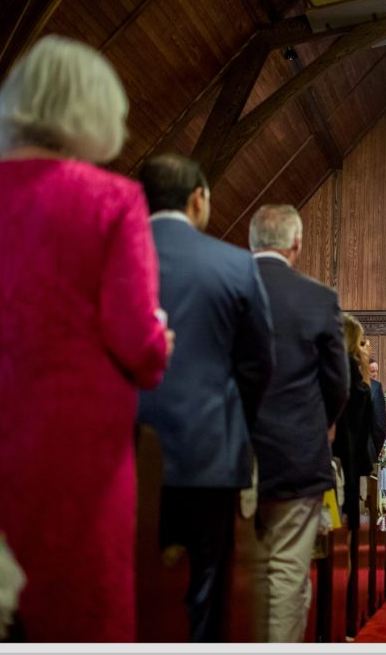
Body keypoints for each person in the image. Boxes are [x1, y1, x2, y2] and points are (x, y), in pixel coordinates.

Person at [0, 35, 171, 642]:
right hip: (73, 450)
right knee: (73, 609)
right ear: (94, 113)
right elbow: (137, 344)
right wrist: (159, 339)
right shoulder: (110, 201)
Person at [137, 153, 275, 642]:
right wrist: (236, 422)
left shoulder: (107, 256)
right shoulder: (233, 264)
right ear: (198, 199)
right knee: (205, 594)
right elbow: (259, 364)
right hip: (209, 455)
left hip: (119, 452)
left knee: (127, 587)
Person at [247, 205, 349, 642]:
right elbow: (337, 384)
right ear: (296, 245)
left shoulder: (223, 285)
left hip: (226, 454)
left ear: (252, 242)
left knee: (231, 563)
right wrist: (316, 427)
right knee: (288, 570)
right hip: (295, 455)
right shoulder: (317, 297)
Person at [333, 314, 378, 636]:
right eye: (362, 342)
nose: (367, 348)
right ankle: (341, 618)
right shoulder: (350, 379)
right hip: (341, 467)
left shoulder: (354, 380)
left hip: (346, 465)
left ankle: (342, 618)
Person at [366, 358, 386, 468]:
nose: (375, 374)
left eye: (376, 371)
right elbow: (380, 427)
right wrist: (375, 449)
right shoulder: (375, 387)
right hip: (366, 449)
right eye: (372, 371)